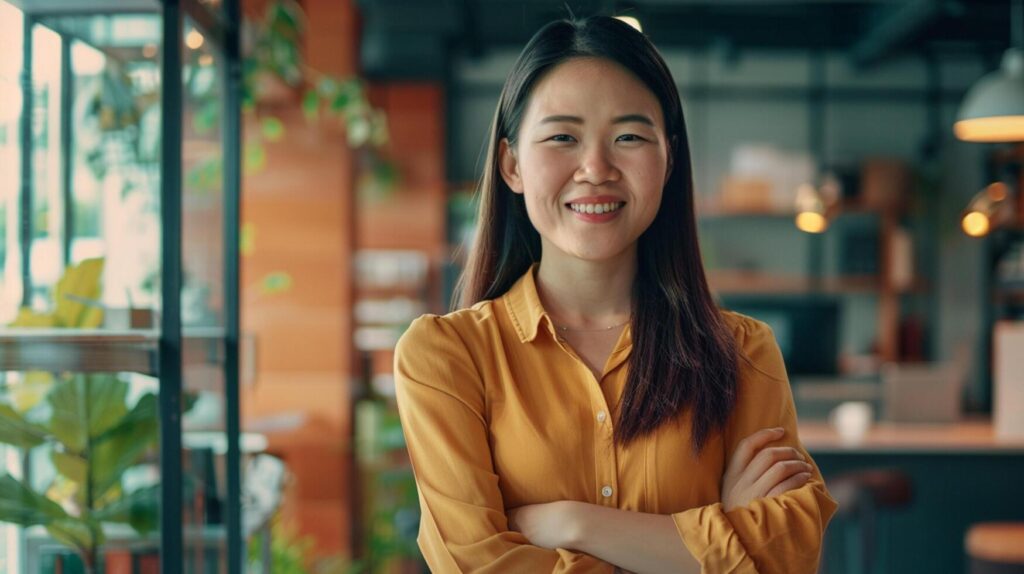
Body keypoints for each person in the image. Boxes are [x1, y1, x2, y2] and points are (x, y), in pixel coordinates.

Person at [393, 15, 837, 574]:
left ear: (668, 159)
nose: (596, 168)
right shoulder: (447, 355)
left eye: (628, 136)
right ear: (511, 165)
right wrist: (711, 541)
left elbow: (790, 553)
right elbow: (476, 564)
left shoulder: (744, 352)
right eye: (562, 137)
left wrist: (573, 524)